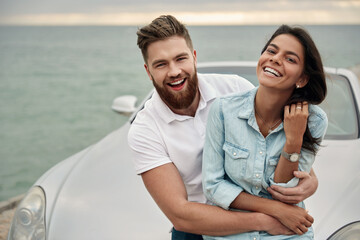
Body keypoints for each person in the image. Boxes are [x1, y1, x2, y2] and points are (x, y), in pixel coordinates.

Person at [128, 15, 319, 239]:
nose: (174, 71)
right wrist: (265, 221)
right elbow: (180, 214)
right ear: (148, 71)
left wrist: (311, 181)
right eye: (161, 64)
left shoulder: (235, 89)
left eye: (181, 59)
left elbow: (277, 148)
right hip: (200, 227)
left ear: (194, 57)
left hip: (262, 208)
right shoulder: (144, 130)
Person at [202, 25, 328, 240]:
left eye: (290, 59)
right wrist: (276, 211)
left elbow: (285, 193)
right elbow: (213, 186)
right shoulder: (223, 110)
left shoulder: (314, 120)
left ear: (302, 79)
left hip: (289, 234)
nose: (275, 59)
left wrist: (293, 140)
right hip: (233, 233)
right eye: (271, 51)